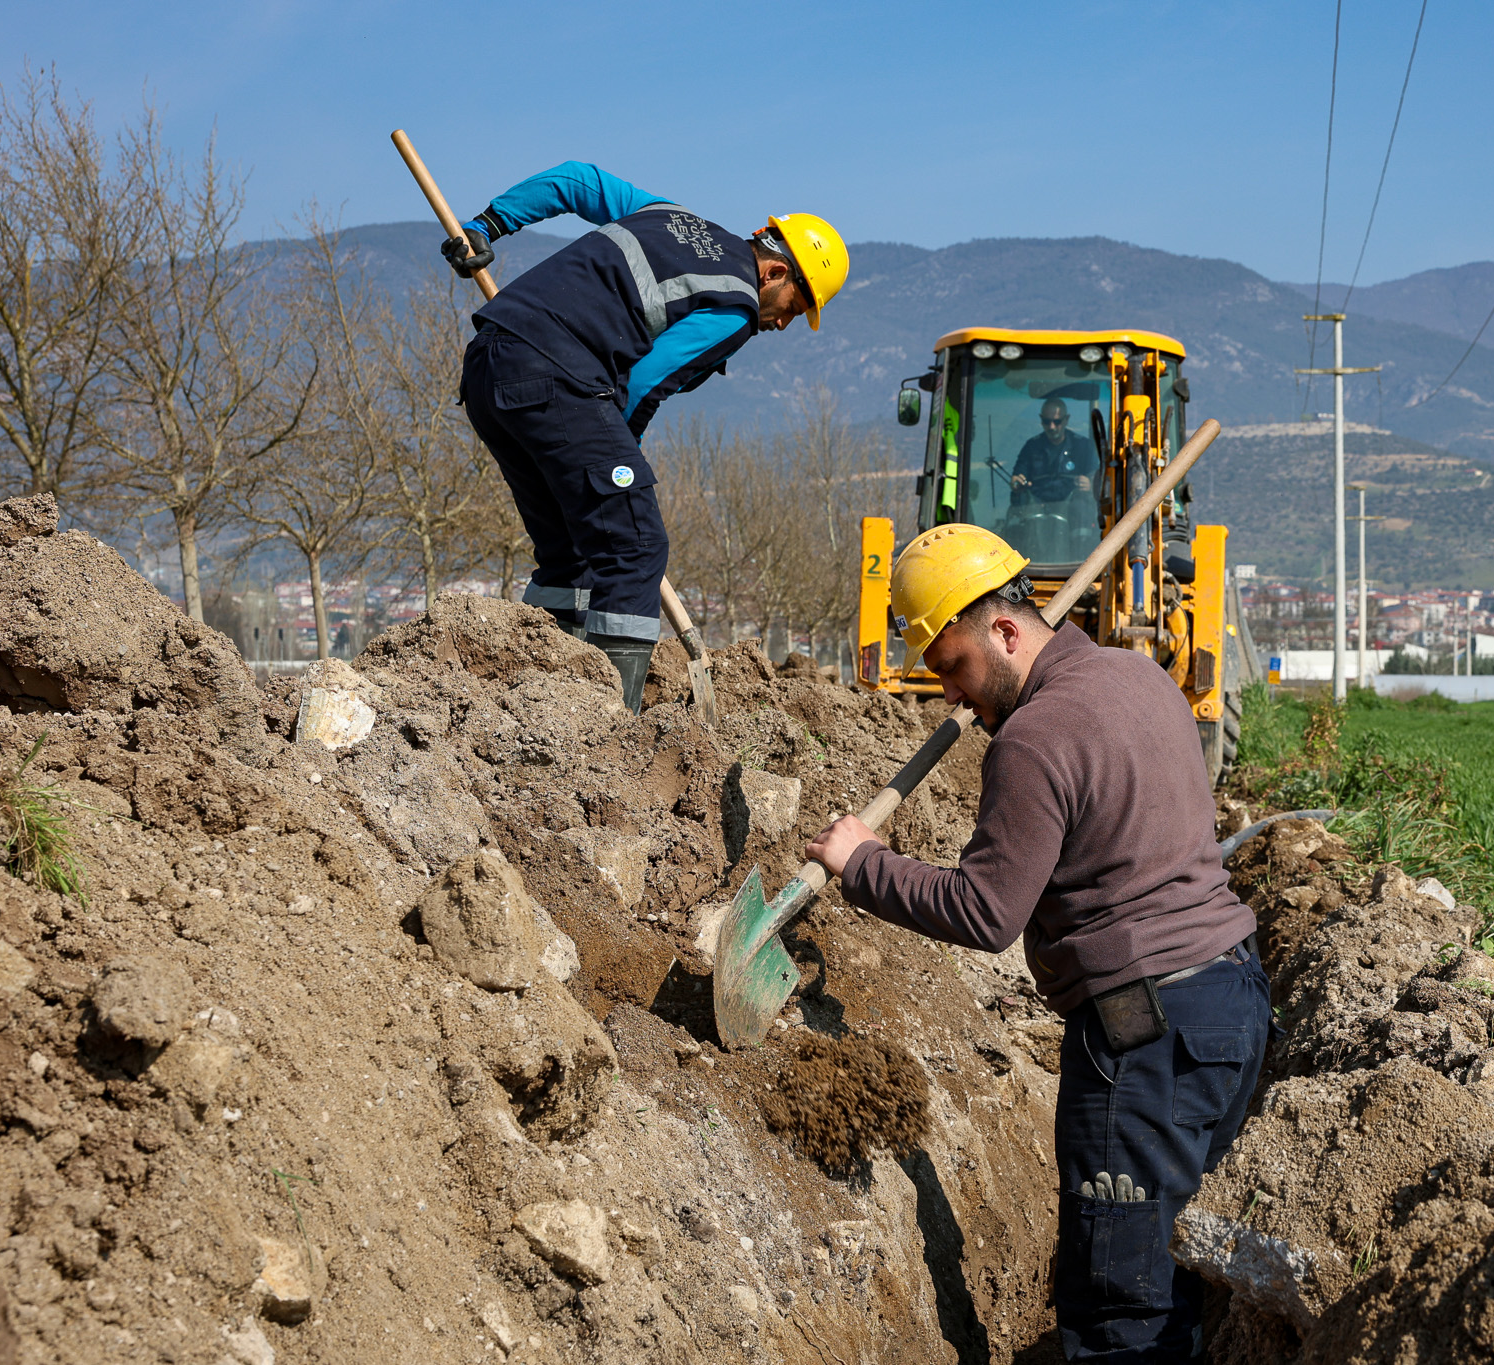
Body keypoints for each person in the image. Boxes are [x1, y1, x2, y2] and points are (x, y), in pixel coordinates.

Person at [804, 524, 1271, 1363]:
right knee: (1181, 1275)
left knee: (1121, 1304)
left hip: (1145, 1035)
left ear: (1007, 631)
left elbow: (986, 911)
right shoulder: (1140, 675)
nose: (952, 695)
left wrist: (862, 863)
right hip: (1231, 1001)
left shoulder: (1033, 738)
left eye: (955, 667)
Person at [443, 161, 848, 713]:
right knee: (635, 544)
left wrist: (488, 225)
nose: (782, 325)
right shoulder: (737, 305)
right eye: (796, 309)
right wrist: (618, 458)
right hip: (555, 376)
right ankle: (606, 735)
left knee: (571, 554)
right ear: (776, 273)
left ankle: (533, 695)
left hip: (491, 367)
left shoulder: (669, 216)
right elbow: (641, 385)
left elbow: (576, 180)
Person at [1011, 397, 1098, 505]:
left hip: (1074, 514)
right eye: (1046, 421)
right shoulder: (1031, 447)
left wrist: (1089, 485)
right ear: (1041, 419)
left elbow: (1098, 479)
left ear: (1066, 419)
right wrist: (1016, 484)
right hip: (1037, 513)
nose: (1051, 427)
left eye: (1057, 421)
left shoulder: (1083, 446)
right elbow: (1017, 478)